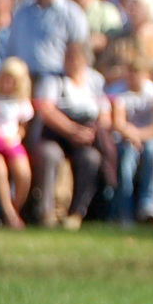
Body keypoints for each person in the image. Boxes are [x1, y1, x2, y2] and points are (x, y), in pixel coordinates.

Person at [33, 42, 107, 227]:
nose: (70, 61)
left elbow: (105, 112)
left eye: (74, 57)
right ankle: (46, 211)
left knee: (91, 159)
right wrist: (71, 130)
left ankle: (77, 213)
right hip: (57, 133)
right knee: (49, 154)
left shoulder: (95, 80)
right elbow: (47, 110)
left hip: (86, 135)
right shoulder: (53, 80)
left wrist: (91, 131)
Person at [3, 0, 89, 85]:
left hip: (55, 81)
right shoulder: (22, 12)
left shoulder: (72, 13)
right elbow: (12, 48)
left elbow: (80, 52)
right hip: (23, 82)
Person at [110, 53, 153, 224]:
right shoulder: (118, 91)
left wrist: (139, 135)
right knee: (127, 157)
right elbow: (118, 123)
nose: (132, 77)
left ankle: (149, 204)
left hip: (144, 137)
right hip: (123, 140)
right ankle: (125, 210)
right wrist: (132, 136)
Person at [0, 58, 34, 228]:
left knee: (23, 173)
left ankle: (14, 209)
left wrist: (16, 137)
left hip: (10, 141)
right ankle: (9, 215)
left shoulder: (20, 101)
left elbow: (22, 127)